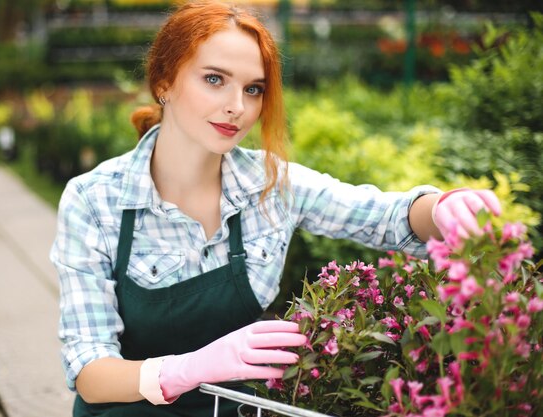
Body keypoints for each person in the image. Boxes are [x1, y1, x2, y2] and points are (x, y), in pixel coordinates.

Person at [50, 1, 502, 416]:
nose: (236, 108)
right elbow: (90, 372)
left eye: (254, 89)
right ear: (165, 80)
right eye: (214, 80)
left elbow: (387, 217)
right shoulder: (96, 200)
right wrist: (185, 369)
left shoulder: (271, 185)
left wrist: (442, 207)